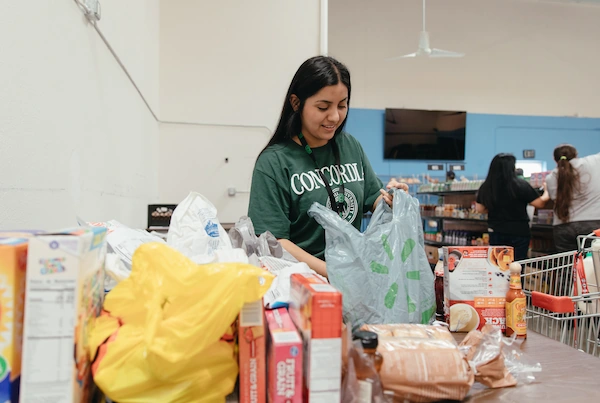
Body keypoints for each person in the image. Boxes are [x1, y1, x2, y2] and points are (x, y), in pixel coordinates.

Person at [248, 56, 407, 277]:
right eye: (323, 107)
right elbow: (274, 242)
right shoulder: (274, 162)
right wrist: (333, 273)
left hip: (355, 277)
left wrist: (392, 199)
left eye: (342, 105)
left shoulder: (350, 146)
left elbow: (373, 198)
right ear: (296, 103)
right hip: (303, 285)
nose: (334, 116)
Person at [475, 153, 549, 262]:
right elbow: (539, 204)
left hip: (496, 230)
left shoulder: (487, 186)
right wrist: (547, 191)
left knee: (498, 265)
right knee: (517, 266)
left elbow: (480, 209)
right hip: (519, 232)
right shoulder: (521, 185)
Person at [544, 145, 600, 252]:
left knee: (567, 265)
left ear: (555, 159)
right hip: (593, 225)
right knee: (594, 264)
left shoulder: (551, 177)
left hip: (562, 227)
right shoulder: (593, 162)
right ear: (576, 154)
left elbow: (553, 198)